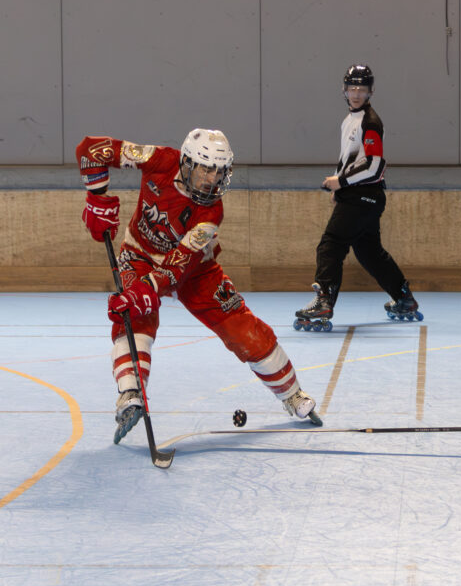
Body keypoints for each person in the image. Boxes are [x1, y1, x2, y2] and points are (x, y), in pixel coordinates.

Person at [77, 129, 321, 444]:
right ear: (187, 162)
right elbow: (90, 148)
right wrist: (97, 197)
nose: (212, 179)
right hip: (138, 254)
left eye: (220, 171)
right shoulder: (159, 159)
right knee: (135, 319)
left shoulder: (211, 212)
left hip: (196, 270)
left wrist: (145, 290)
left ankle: (291, 393)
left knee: (240, 326)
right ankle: (130, 394)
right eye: (206, 168)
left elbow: (180, 263)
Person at [294, 63, 421, 330]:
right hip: (361, 197)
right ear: (344, 89)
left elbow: (375, 165)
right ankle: (403, 298)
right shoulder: (349, 120)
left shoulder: (370, 121)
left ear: (371, 91)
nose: (356, 93)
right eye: (352, 88)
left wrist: (340, 182)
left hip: (364, 195)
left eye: (362, 89)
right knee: (370, 253)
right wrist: (339, 187)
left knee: (331, 244)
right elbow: (349, 159)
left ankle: (324, 301)